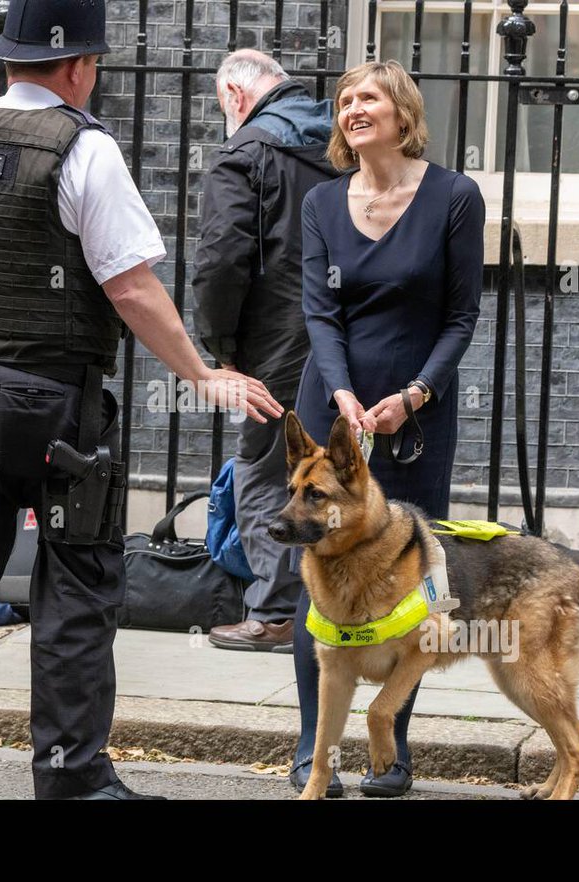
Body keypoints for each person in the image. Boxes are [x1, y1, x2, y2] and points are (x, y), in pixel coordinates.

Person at [0, 0, 281, 801]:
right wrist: (202, 375)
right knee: (72, 591)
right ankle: (71, 782)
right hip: (50, 402)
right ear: (78, 66)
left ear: (10, 59)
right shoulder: (85, 150)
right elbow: (133, 287)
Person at [290, 59, 485, 797]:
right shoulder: (321, 203)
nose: (352, 108)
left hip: (413, 417)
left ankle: (389, 751)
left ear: (403, 112)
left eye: (367, 97)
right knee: (321, 579)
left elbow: (463, 315)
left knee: (407, 584)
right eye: (344, 100)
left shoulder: (454, 197)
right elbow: (320, 312)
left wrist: (415, 394)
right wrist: (340, 393)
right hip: (331, 413)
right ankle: (317, 752)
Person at [193, 50, 339, 653]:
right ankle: (331, 605)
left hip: (272, 338)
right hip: (347, 333)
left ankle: (276, 611)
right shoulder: (343, 147)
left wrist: (219, 346)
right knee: (341, 467)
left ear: (234, 92)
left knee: (263, 468)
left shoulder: (245, 154)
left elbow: (221, 259)